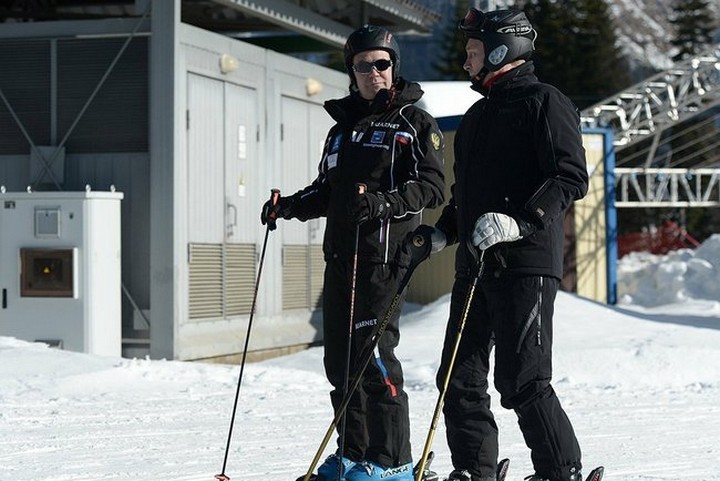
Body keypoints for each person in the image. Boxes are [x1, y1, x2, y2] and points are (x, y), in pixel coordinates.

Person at [260, 25, 445, 481]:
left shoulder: (413, 123)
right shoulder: (339, 132)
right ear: (352, 72)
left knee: (374, 358)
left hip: (383, 260)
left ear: (393, 67)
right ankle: (354, 456)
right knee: (340, 363)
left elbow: (434, 188)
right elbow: (327, 192)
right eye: (363, 66)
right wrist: (288, 208)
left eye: (381, 64)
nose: (373, 73)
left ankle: (392, 463)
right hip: (342, 258)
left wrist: (385, 203)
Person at [418, 8, 590, 481]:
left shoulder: (545, 102)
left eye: (473, 52)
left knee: (522, 379)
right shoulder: (477, 116)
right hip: (475, 266)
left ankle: (560, 471)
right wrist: (443, 231)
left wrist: (521, 221)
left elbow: (570, 177)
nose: (466, 62)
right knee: (458, 377)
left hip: (525, 262)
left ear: (501, 50)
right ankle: (476, 469)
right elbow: (467, 195)